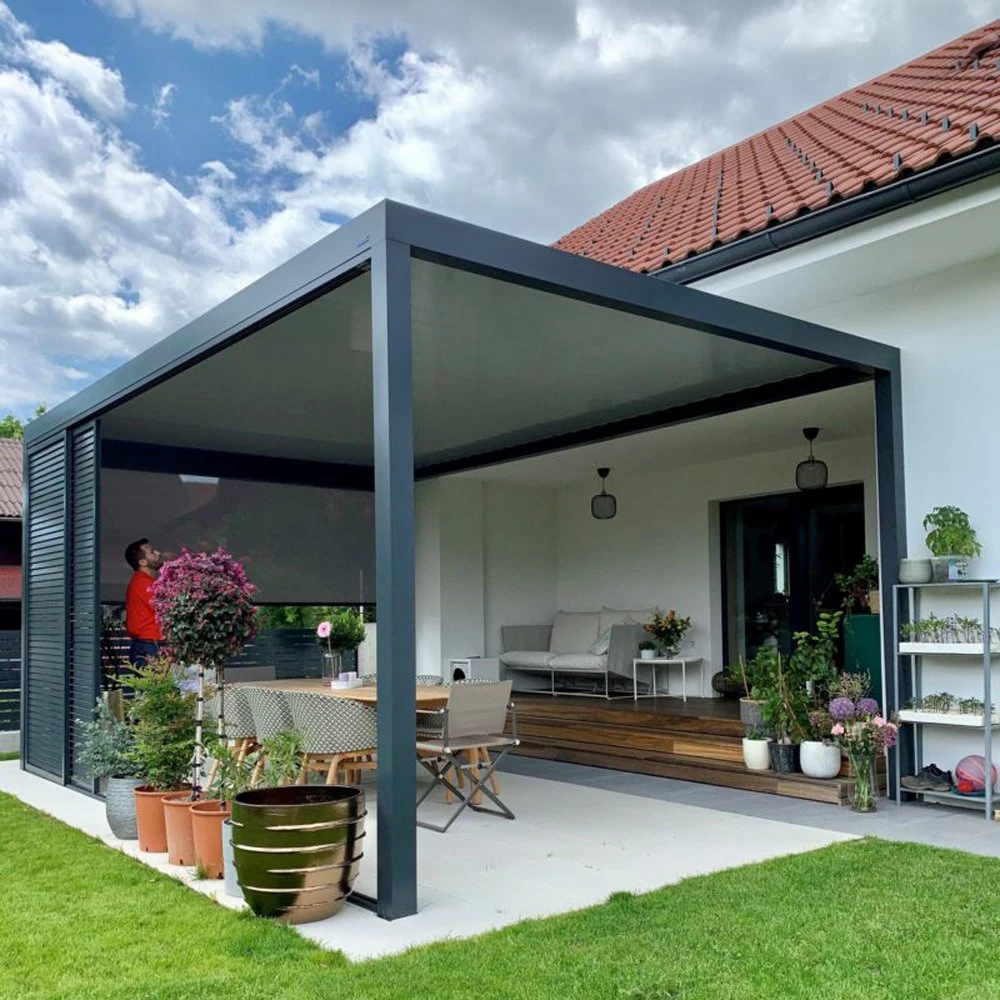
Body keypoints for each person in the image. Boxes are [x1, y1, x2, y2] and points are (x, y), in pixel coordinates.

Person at [124, 538, 164, 667]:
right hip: (149, 646)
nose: (158, 553)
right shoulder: (143, 583)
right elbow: (164, 609)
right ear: (142, 562)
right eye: (152, 552)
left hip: (146, 645)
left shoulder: (143, 582)